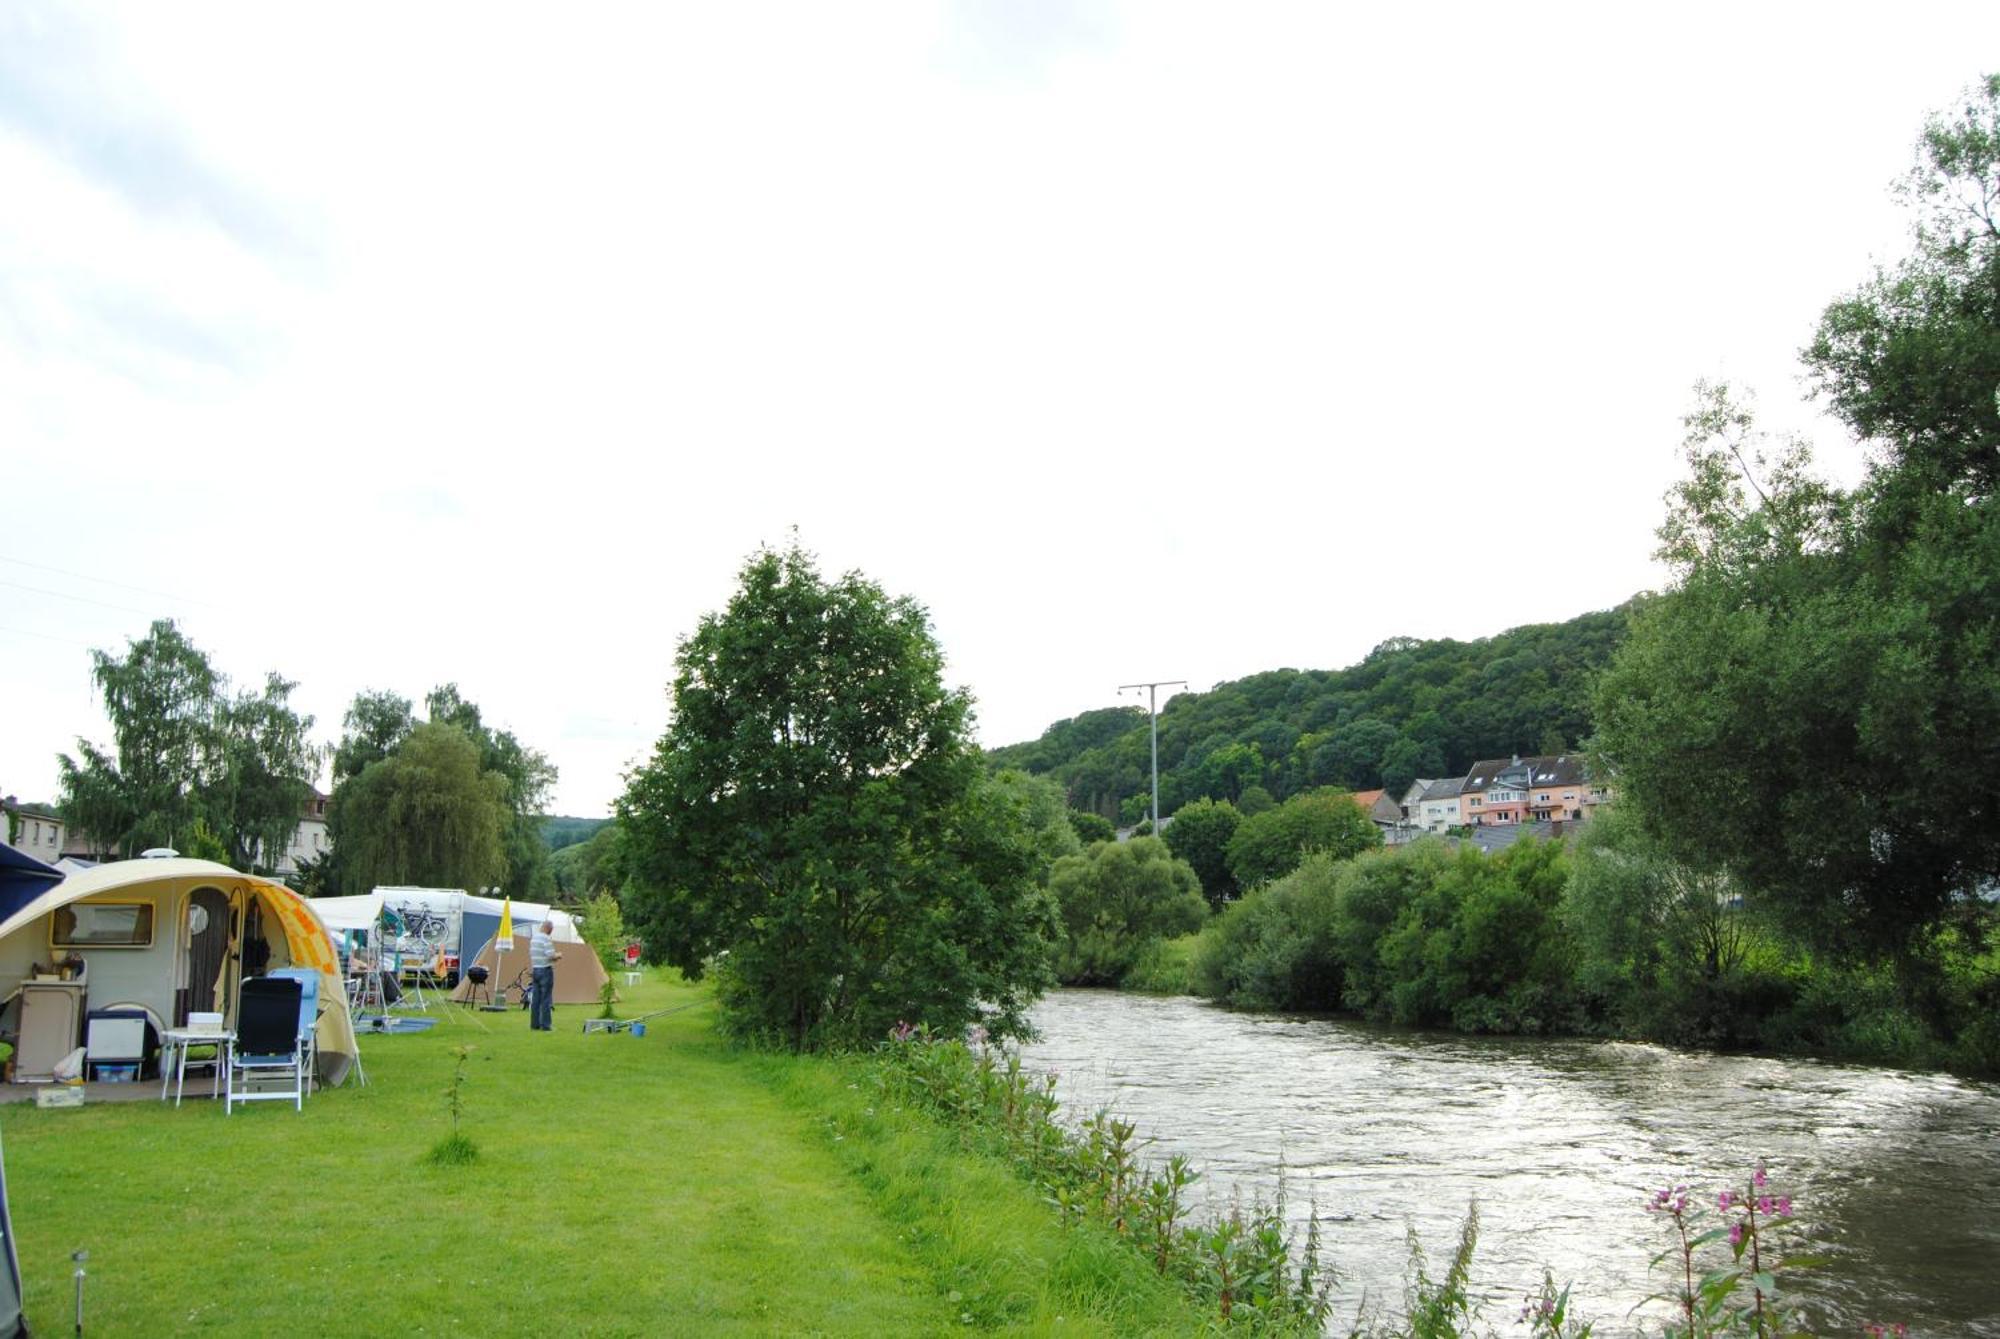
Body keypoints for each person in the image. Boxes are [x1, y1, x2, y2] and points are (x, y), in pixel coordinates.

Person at [529, 918, 561, 1031]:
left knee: (536, 999)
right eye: (551, 930)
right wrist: (559, 955)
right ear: (548, 928)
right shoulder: (546, 939)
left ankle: (534, 1024)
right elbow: (550, 955)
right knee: (546, 999)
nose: (551, 932)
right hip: (545, 970)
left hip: (535, 969)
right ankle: (546, 1025)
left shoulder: (534, 938)